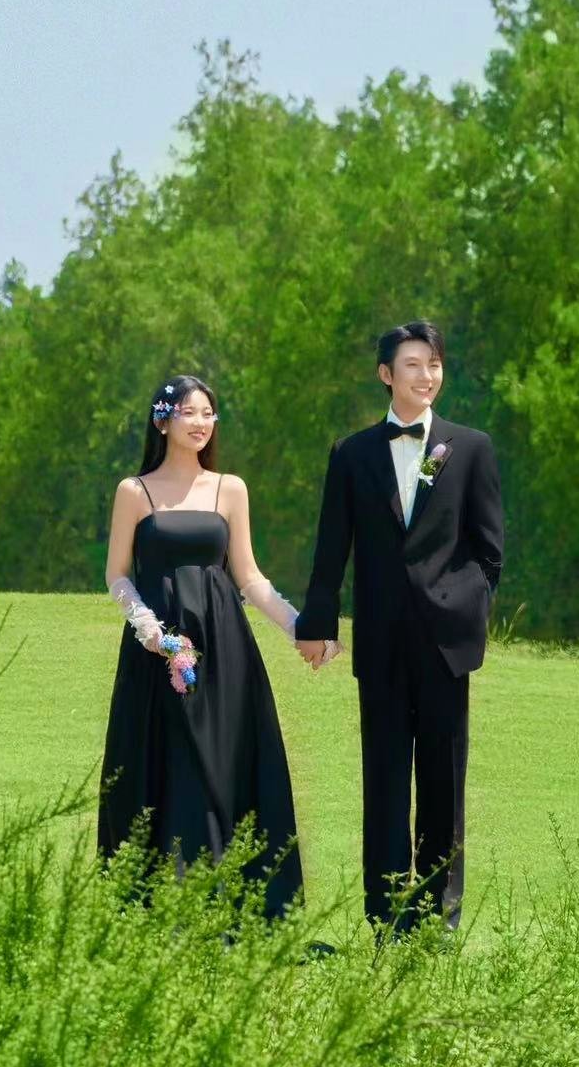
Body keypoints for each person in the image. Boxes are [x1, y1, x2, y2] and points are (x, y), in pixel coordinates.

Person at [295, 321, 503, 931]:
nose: (426, 375)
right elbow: (331, 548)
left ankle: (440, 915)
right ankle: (385, 916)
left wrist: (466, 608)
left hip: (446, 646)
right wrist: (317, 623)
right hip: (381, 643)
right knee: (384, 780)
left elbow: (489, 551)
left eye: (434, 363)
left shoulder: (471, 448)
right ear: (386, 374)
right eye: (413, 364)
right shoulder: (351, 454)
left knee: (444, 781)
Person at [97, 373, 330, 917]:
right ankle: (161, 906)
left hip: (225, 650)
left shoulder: (231, 488)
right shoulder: (135, 491)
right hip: (155, 653)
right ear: (163, 421)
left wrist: (300, 628)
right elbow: (117, 574)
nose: (201, 422)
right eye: (189, 412)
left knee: (226, 764)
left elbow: (249, 577)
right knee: (167, 766)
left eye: (208, 413)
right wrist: (151, 631)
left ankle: (236, 907)